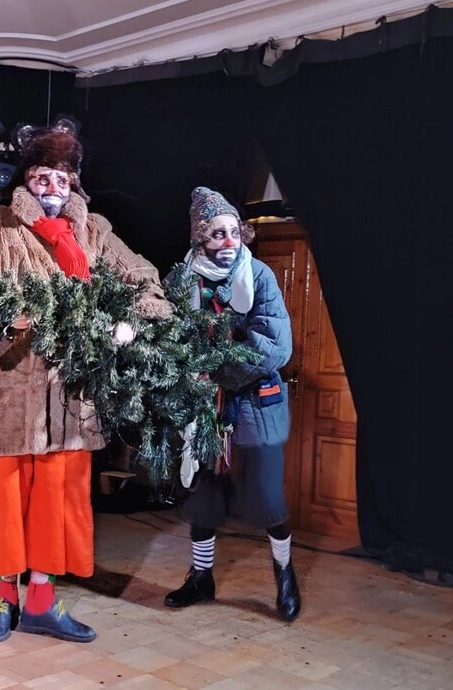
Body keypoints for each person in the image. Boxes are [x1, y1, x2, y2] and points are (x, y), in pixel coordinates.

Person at [0, 127, 169, 643]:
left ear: (74, 184)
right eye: (43, 177)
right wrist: (11, 316)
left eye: (62, 179)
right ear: (27, 180)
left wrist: (130, 319)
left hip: (70, 392)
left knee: (58, 498)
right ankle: (4, 601)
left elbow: (142, 276)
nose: (52, 187)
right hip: (8, 389)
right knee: (7, 499)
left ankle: (43, 602)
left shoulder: (93, 230)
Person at [164, 186, 300, 621]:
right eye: (217, 233)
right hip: (206, 404)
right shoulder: (184, 279)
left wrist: (219, 371)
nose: (228, 241)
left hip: (256, 401)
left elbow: (274, 344)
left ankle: (284, 574)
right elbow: (173, 336)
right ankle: (200, 577)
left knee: (266, 496)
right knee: (204, 495)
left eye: (234, 232)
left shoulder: (258, 275)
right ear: (199, 238)